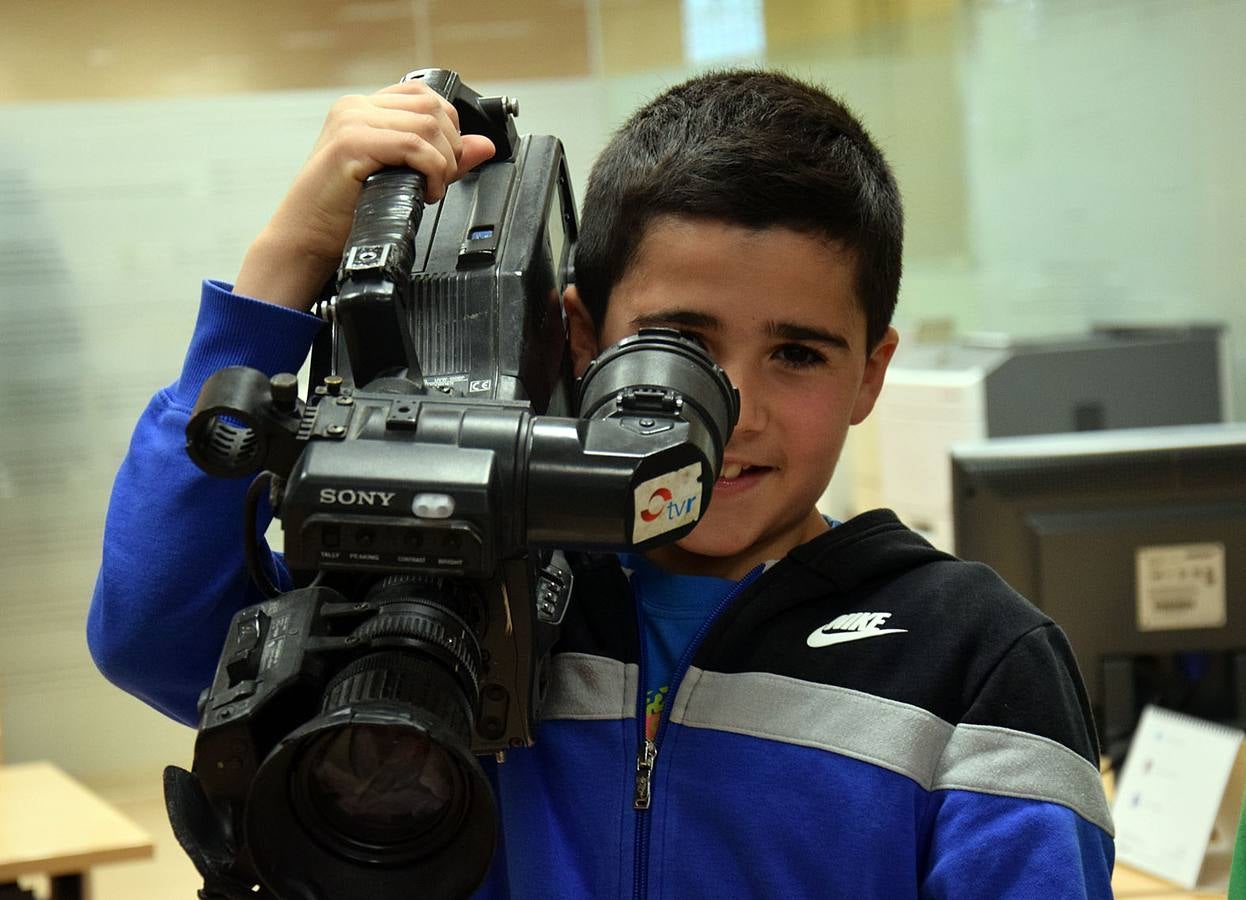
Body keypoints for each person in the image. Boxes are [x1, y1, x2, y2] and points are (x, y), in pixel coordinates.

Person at [88, 69, 1115, 897]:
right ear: (581, 338)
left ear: (870, 373)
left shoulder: (973, 660)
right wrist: (285, 268)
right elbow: (155, 631)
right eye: (677, 346)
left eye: (798, 353)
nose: (739, 411)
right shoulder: (461, 582)